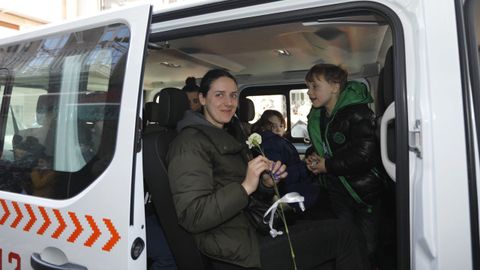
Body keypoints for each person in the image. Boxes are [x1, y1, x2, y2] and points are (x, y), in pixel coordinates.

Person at [167, 69, 369, 270]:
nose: (228, 103)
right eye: (219, 95)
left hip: (254, 227)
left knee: (335, 236)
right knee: (344, 234)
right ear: (202, 99)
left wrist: (264, 183)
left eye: (233, 95)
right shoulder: (189, 144)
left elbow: (239, 185)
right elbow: (192, 216)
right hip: (236, 249)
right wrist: (246, 186)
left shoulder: (230, 134)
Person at [304, 63, 385, 267]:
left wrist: (327, 166)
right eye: (308, 87)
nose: (309, 92)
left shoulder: (358, 113)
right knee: (346, 240)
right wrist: (312, 156)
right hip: (337, 190)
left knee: (367, 245)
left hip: (363, 191)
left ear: (335, 86)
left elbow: (365, 154)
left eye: (315, 86)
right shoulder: (319, 115)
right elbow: (321, 146)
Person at [251, 109, 319, 209]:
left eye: (281, 126)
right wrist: (305, 167)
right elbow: (279, 175)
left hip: (295, 186)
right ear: (263, 128)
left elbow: (289, 164)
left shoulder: (277, 141)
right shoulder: (271, 144)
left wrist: (304, 163)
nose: (278, 129)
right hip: (292, 193)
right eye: (273, 126)